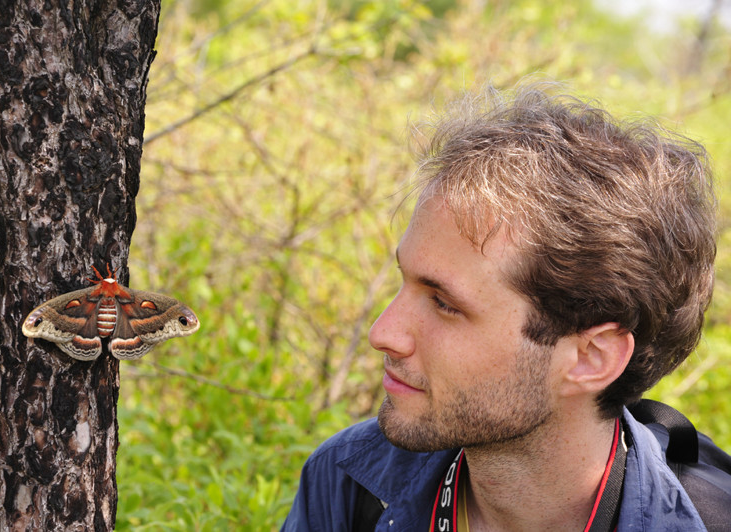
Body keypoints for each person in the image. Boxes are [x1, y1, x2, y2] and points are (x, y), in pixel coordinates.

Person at [281, 84, 725, 531]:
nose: (383, 333)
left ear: (591, 358)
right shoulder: (351, 482)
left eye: (443, 303)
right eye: (406, 281)